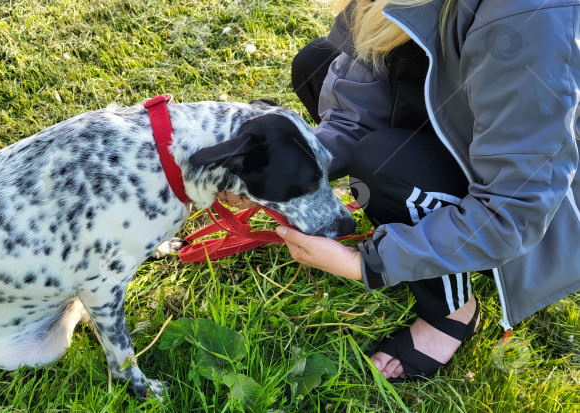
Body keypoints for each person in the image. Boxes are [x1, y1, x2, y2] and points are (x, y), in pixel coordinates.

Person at [224, 0, 580, 381]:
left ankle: (452, 309)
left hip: (538, 202)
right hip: (465, 129)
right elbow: (353, 113)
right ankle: (404, 196)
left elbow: (514, 213)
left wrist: (367, 265)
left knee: (381, 163)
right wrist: (290, 172)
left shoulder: (526, 17)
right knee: (315, 62)